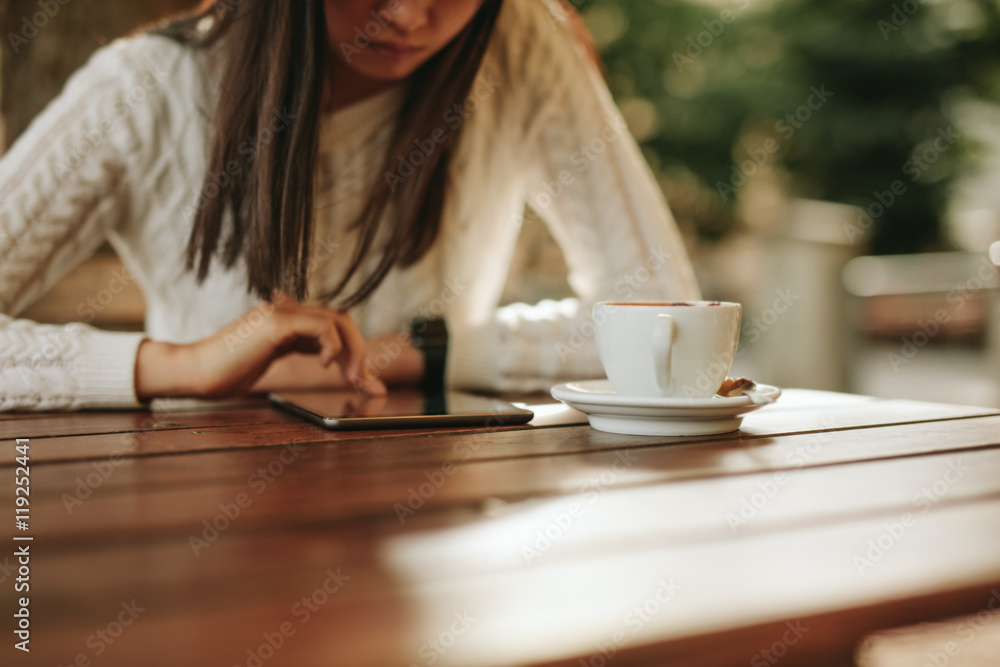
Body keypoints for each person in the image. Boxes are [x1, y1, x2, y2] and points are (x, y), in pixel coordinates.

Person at [0, 0, 700, 412]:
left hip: (439, 531)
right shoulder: (143, 91)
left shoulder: (519, 40)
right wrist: (182, 366)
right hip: (203, 535)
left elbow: (666, 320)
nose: (409, 15)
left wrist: (413, 355)